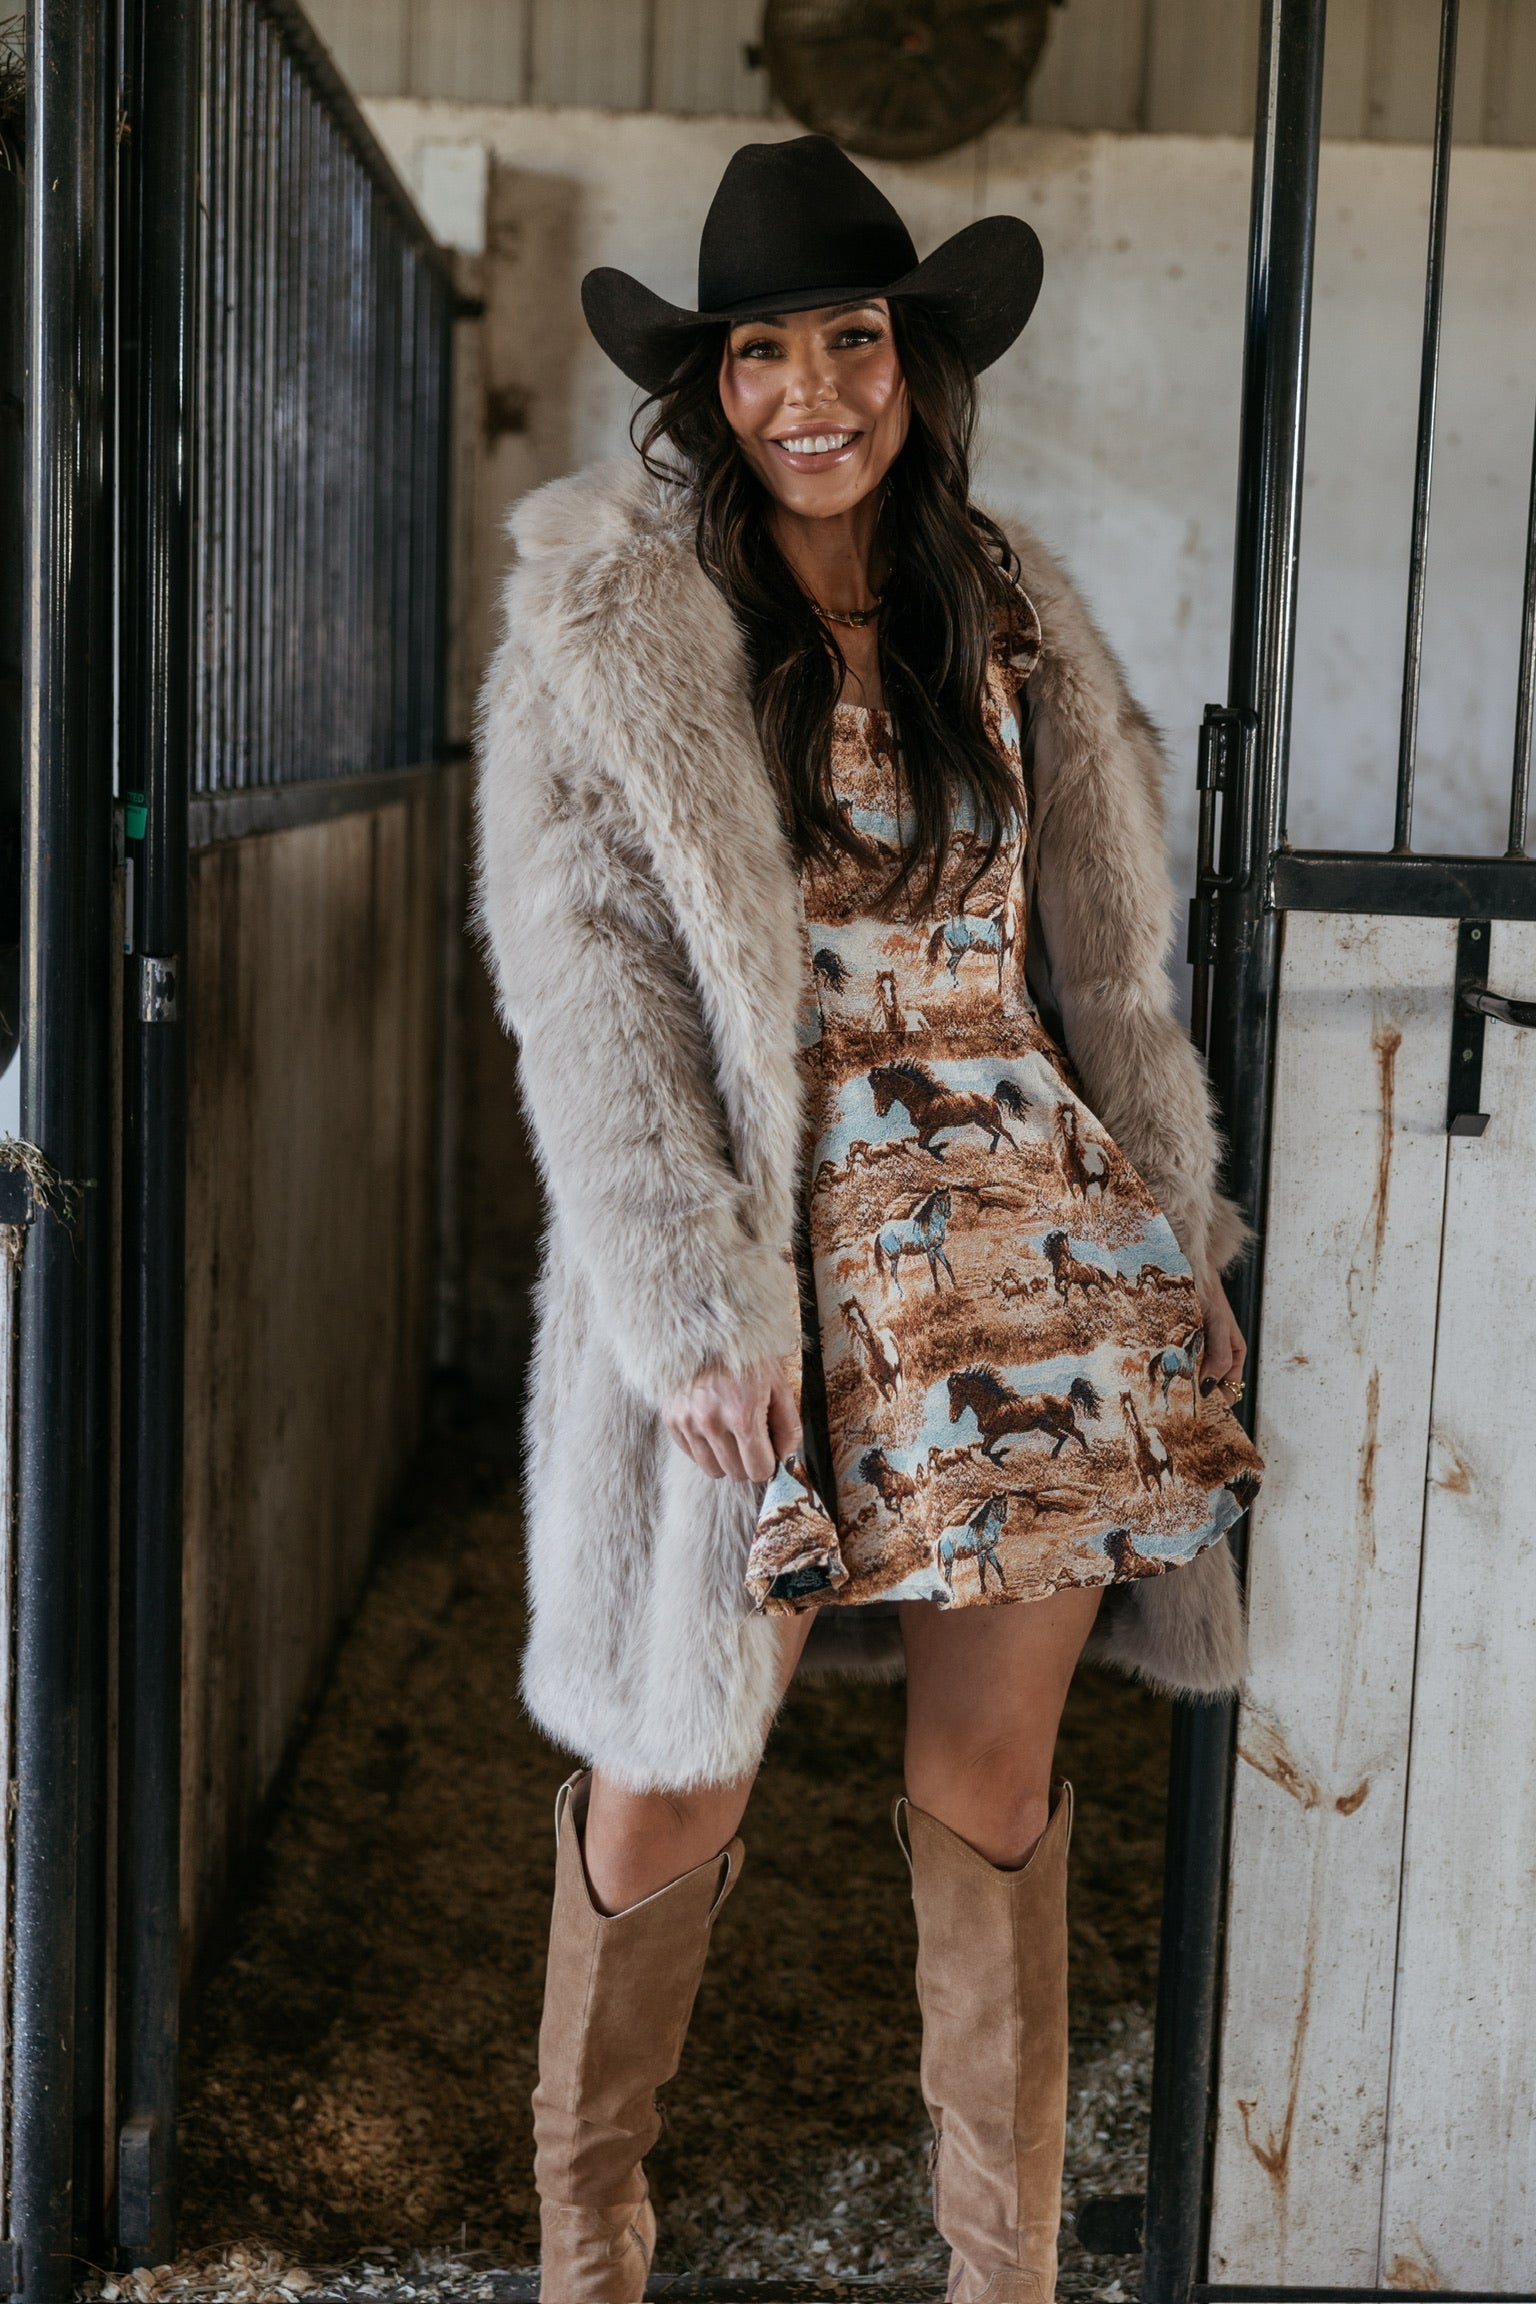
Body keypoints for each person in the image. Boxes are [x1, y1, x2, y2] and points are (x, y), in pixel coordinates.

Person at [475, 134, 1264, 2304]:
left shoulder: (1004, 601)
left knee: (991, 1782)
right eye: (762, 351)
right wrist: (685, 1307)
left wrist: (1172, 1226)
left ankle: (994, 2278)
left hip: (1029, 1246)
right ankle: (589, 2248)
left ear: (912, 359)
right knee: (673, 1774)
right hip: (768, 1267)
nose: (813, 388)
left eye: (852, 338)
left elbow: (1103, 966)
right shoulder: (616, 627)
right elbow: (594, 995)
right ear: (709, 384)